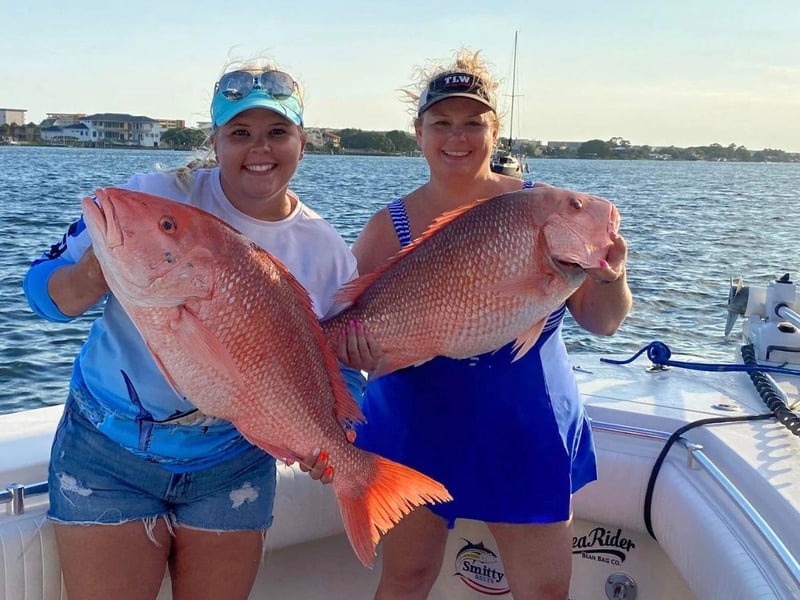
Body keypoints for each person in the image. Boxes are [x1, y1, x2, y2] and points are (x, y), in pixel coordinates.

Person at [23, 57, 363, 600]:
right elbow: (42, 296)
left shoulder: (324, 249)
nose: (259, 148)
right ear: (216, 139)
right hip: (107, 452)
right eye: (240, 133)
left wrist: (336, 442)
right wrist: (95, 271)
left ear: (303, 141)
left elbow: (343, 365)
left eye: (278, 132)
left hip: (232, 465)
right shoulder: (155, 193)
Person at [337, 48, 632, 600]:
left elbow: (605, 323)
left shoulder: (541, 208)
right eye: (441, 123)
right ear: (418, 133)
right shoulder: (388, 225)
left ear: (495, 130)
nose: (458, 137)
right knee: (406, 576)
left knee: (544, 588)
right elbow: (351, 323)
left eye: (474, 123)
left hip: (525, 424)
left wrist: (611, 275)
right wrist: (354, 353)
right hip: (413, 423)